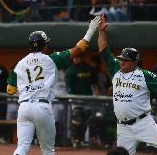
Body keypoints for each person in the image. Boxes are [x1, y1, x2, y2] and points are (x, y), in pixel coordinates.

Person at [6, 16, 101, 155]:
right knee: (48, 150)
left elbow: (10, 90)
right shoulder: (52, 59)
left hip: (24, 107)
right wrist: (91, 30)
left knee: (22, 147)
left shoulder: (20, 64)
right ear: (45, 46)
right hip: (42, 107)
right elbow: (79, 49)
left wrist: (27, 88)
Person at [97, 14, 157, 155]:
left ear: (134, 62)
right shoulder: (115, 69)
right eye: (121, 59)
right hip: (123, 127)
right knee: (122, 153)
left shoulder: (144, 75)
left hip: (143, 123)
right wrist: (101, 31)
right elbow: (103, 50)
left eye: (125, 60)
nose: (121, 62)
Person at [65, 53, 99, 148]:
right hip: (76, 99)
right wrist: (72, 97)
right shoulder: (70, 70)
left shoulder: (88, 68)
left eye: (78, 57)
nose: (76, 59)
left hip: (88, 98)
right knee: (78, 119)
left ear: (81, 58)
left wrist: (96, 93)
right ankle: (76, 140)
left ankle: (82, 139)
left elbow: (94, 82)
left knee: (87, 119)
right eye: (75, 57)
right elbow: (69, 87)